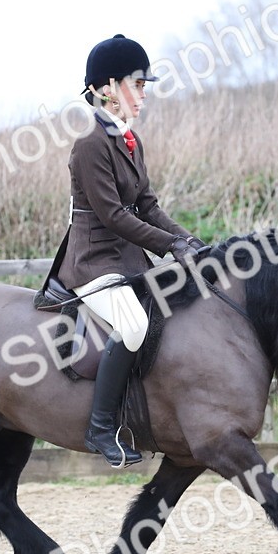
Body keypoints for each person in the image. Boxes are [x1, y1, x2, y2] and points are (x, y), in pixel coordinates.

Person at [49, 34, 206, 467]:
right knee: (134, 326)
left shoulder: (130, 141)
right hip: (93, 264)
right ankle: (101, 428)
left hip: (128, 262)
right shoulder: (89, 146)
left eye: (143, 86)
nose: (142, 94)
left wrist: (190, 241)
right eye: (135, 85)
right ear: (105, 89)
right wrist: (170, 246)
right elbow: (115, 216)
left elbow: (148, 206)